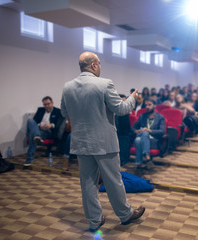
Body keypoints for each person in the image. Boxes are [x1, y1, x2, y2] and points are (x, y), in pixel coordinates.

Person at [61, 51, 145, 232]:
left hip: (81, 142)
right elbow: (121, 109)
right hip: (104, 142)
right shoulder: (104, 83)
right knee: (114, 180)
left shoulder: (67, 87)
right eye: (99, 63)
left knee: (88, 182)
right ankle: (125, 214)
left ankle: (94, 220)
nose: (100, 67)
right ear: (93, 65)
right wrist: (132, 98)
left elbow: (64, 113)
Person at [24, 96, 63, 166]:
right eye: (45, 104)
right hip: (39, 130)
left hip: (49, 132)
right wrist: (39, 126)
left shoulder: (58, 111)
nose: (47, 106)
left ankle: (29, 159)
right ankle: (37, 136)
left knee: (33, 134)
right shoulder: (40, 110)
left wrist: (51, 125)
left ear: (52, 103)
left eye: (48, 104)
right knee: (30, 121)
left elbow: (59, 125)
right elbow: (35, 122)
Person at [131, 99, 165, 169]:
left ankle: (139, 162)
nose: (147, 107)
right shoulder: (142, 116)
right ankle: (147, 157)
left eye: (149, 105)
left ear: (154, 106)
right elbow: (132, 128)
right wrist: (136, 131)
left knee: (138, 139)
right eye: (146, 105)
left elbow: (162, 131)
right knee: (143, 133)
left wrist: (149, 131)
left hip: (154, 141)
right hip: (143, 137)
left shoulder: (160, 117)